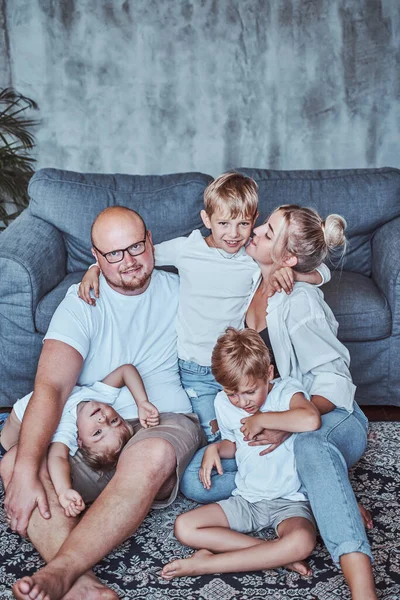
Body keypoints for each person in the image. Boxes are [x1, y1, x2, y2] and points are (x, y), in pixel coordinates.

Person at [1, 206, 206, 600]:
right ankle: (86, 589)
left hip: (158, 419)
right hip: (88, 434)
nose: (128, 261)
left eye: (134, 248)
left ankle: (61, 572)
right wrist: (26, 470)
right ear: (96, 257)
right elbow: (51, 387)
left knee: (151, 453)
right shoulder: (81, 303)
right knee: (14, 463)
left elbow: (240, 262)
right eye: (113, 254)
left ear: (151, 242)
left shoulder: (185, 286)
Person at [182, 205, 376, 600]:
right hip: (275, 418)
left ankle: (361, 587)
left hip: (331, 416)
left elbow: (337, 384)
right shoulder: (254, 274)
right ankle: (323, 494)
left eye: (267, 233)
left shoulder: (300, 303)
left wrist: (281, 421)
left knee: (310, 446)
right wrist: (97, 267)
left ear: (287, 256)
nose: (254, 232)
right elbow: (189, 256)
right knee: (195, 483)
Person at [79, 172, 329, 443]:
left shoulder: (251, 255)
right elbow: (138, 256)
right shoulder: (187, 249)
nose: (233, 234)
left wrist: (298, 274)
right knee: (213, 435)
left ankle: (257, 472)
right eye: (223, 223)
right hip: (194, 368)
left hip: (236, 366)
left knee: (247, 432)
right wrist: (95, 268)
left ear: (254, 219)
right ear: (206, 219)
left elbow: (319, 267)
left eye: (243, 223)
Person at [161, 327, 320, 580]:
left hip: (289, 502)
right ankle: (276, 555)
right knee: (185, 526)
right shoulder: (223, 404)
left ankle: (205, 564)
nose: (242, 402)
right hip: (247, 499)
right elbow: (233, 444)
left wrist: (264, 419)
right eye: (232, 393)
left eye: (249, 392)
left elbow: (311, 419)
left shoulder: (285, 391)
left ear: (268, 373)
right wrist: (214, 448)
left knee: (301, 542)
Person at [1, 363, 159, 517]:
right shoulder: (99, 395)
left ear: (79, 441)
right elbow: (126, 370)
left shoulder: (68, 426)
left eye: (97, 432)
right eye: (114, 421)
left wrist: (64, 490)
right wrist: (142, 402)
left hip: (8, 441)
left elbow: (58, 458)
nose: (102, 419)